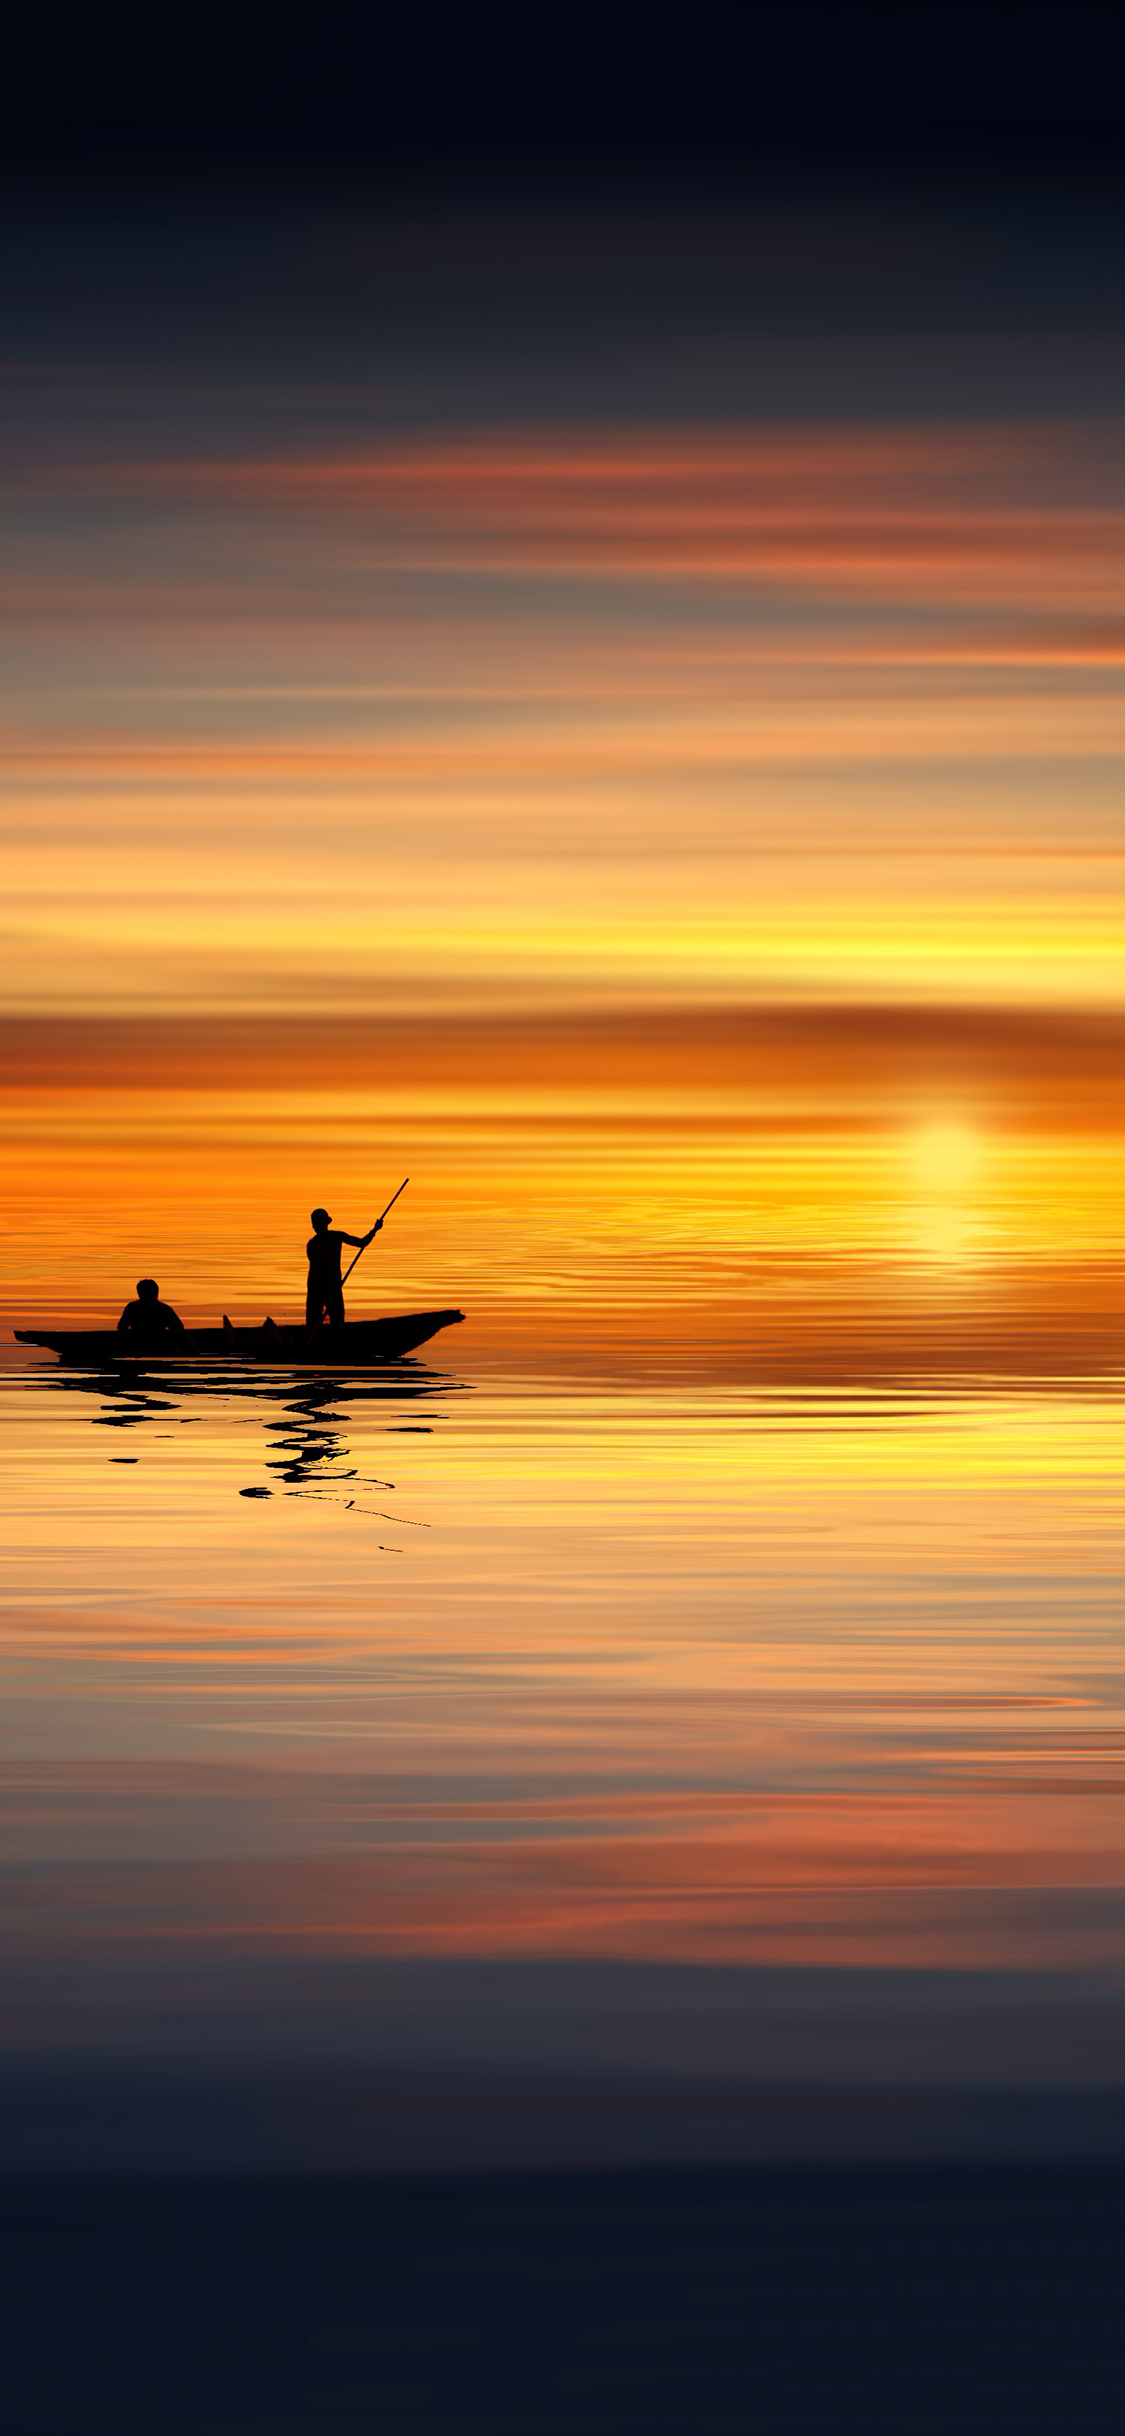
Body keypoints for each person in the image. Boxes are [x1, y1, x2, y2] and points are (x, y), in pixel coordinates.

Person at [306, 1206, 381, 1331]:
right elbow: (318, 1266)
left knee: (332, 1321)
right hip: (321, 1287)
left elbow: (361, 1243)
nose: (319, 1227)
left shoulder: (332, 1238)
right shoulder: (316, 1243)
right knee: (319, 1322)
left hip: (326, 1285)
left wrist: (374, 1230)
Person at [117, 1278, 185, 1344]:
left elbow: (122, 1327)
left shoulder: (132, 1308)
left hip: (139, 1345)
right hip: (157, 1345)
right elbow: (178, 1327)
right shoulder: (164, 1309)